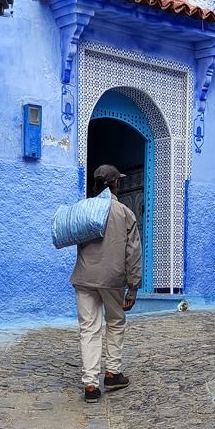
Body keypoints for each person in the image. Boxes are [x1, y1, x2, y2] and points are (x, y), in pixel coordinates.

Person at [71, 163, 142, 402]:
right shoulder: (124, 212)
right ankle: (112, 372)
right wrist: (133, 286)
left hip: (84, 276)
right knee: (115, 322)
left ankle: (90, 385)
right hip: (112, 278)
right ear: (115, 184)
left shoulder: (83, 208)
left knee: (88, 329)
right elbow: (133, 252)